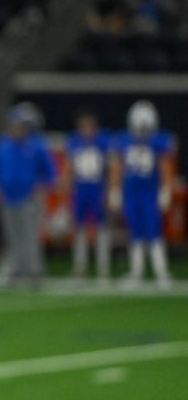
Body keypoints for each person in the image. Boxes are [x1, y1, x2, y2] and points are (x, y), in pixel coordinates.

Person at [110, 100, 175, 289]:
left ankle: (161, 272)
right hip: (131, 192)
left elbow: (165, 166)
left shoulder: (159, 140)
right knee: (135, 232)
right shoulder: (123, 140)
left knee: (154, 231)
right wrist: (115, 190)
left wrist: (165, 189)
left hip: (149, 192)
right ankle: (136, 272)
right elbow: (117, 166)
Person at [0, 103, 56, 287]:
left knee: (29, 235)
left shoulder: (36, 145)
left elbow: (49, 171)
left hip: (29, 197)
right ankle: (15, 270)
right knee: (11, 236)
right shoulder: (3, 144)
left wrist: (42, 187)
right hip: (7, 196)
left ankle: (34, 271)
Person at [64, 108, 112, 280]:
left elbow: (109, 168)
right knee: (79, 229)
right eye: (83, 126)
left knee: (101, 228)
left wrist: (109, 190)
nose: (86, 129)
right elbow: (69, 168)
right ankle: (79, 267)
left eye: (89, 126)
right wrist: (67, 187)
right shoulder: (74, 142)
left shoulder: (103, 142)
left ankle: (103, 268)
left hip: (97, 187)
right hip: (80, 188)